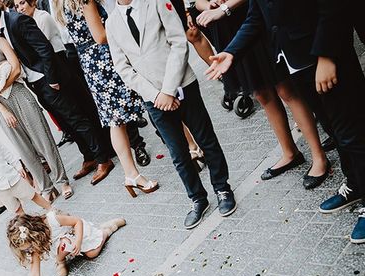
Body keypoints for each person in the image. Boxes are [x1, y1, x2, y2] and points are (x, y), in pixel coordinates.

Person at [205, 0, 365, 243]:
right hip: (294, 58)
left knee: (351, 131)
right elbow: (256, 15)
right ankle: (355, 182)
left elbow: (333, 6)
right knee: (333, 129)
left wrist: (327, 55)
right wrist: (232, 52)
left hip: (325, 55)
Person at [106, 0, 236, 228]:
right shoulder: (112, 23)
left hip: (182, 84)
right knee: (177, 153)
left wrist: (168, 90)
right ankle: (197, 198)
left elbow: (178, 43)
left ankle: (222, 188)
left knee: (206, 138)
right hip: (152, 97)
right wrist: (156, 95)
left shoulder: (156, 2)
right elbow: (123, 67)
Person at [0, 0, 114, 185]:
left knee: (76, 119)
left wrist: (52, 79)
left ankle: (103, 159)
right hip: (35, 82)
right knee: (66, 123)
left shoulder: (17, 21)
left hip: (49, 80)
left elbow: (44, 48)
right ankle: (89, 157)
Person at [195, 0, 330, 189]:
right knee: (261, 93)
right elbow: (196, 3)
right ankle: (289, 152)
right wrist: (209, 6)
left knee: (285, 88)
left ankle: (319, 157)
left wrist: (225, 8)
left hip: (252, 17)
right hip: (226, 29)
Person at [51, 0, 159, 197]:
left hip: (90, 61)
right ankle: (186, 148)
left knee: (115, 120)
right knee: (140, 100)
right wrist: (125, 31)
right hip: (104, 59)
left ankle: (131, 174)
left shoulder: (62, 3)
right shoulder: (84, 1)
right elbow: (100, 35)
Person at [0, 19, 74, 199]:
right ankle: (47, 188)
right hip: (0, 106)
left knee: (43, 139)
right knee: (24, 149)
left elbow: (16, 69)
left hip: (19, 94)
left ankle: (62, 180)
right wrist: (1, 108)